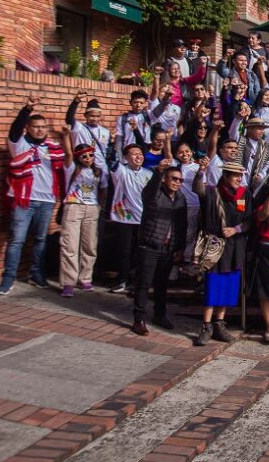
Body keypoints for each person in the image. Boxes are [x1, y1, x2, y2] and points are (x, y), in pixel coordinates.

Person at [193, 162, 254, 346]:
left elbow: (249, 220)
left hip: (235, 247)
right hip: (215, 247)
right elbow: (197, 189)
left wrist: (236, 229)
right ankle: (206, 325)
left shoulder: (245, 195)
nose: (238, 179)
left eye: (240, 175)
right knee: (213, 285)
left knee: (228, 286)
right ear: (225, 176)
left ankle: (219, 323)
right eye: (235, 175)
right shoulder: (212, 192)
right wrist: (201, 171)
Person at [131, 160, 187, 336]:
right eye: (173, 179)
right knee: (144, 283)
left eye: (180, 180)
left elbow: (182, 225)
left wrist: (180, 248)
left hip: (168, 248)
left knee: (162, 284)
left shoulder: (180, 198)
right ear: (165, 179)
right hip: (150, 245)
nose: (177, 182)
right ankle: (139, 318)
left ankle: (159, 314)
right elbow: (152, 187)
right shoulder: (154, 194)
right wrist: (159, 172)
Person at [58, 134, 103, 298]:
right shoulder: (72, 169)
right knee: (69, 245)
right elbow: (69, 153)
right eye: (83, 156)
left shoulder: (98, 172)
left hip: (92, 209)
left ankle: (85, 278)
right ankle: (68, 282)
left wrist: (100, 205)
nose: (88, 158)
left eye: (90, 155)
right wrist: (66, 134)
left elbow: (103, 189)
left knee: (90, 245)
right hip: (73, 207)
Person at [108, 144, 153, 293]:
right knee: (124, 252)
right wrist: (113, 146)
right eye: (134, 154)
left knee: (140, 252)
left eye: (140, 153)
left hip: (143, 219)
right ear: (126, 158)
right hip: (124, 218)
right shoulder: (121, 171)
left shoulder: (149, 174)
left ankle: (138, 282)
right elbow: (112, 161)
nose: (138, 156)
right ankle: (122, 280)